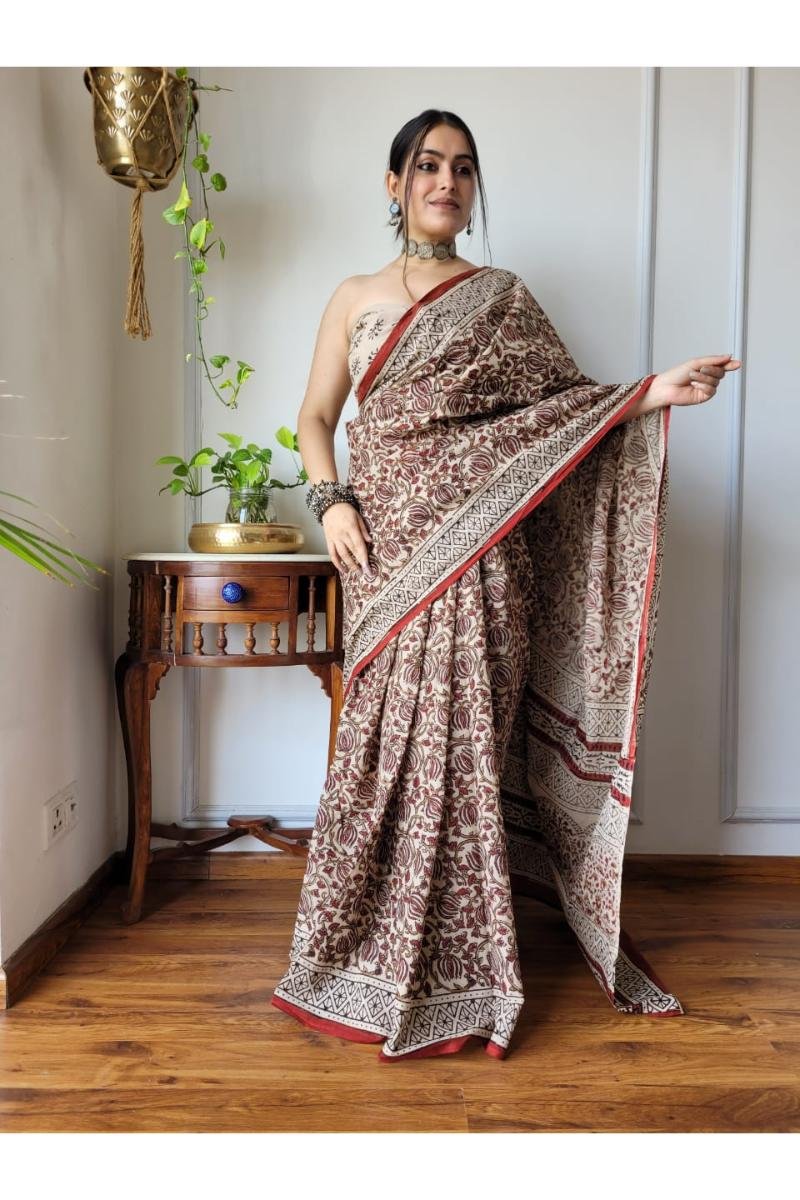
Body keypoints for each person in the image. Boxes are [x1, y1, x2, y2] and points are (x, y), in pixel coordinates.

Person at [271, 109, 742, 1060]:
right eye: (429, 165)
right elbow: (316, 417)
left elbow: (561, 418)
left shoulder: (503, 301)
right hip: (385, 557)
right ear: (395, 181)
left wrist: (650, 392)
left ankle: (470, 965)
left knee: (465, 754)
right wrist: (331, 506)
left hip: (486, 563)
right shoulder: (354, 297)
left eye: (464, 169)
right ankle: (356, 948)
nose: (447, 182)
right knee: (382, 753)